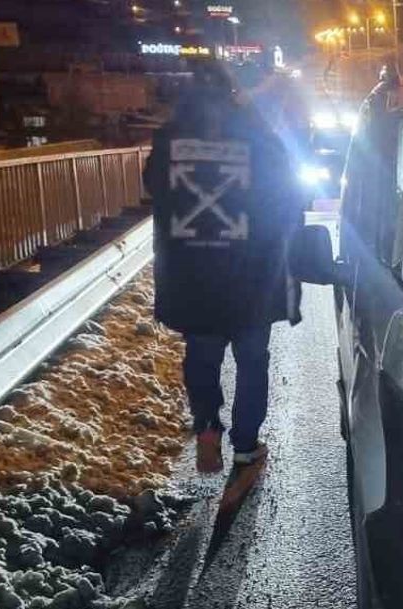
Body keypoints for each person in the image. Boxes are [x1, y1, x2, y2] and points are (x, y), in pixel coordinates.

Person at [143, 61, 302, 506]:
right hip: (249, 273)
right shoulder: (257, 136)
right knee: (252, 360)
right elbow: (285, 194)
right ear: (234, 95)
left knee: (202, 354)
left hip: (193, 274)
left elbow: (155, 186)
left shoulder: (170, 139)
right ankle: (246, 446)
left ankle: (207, 426)